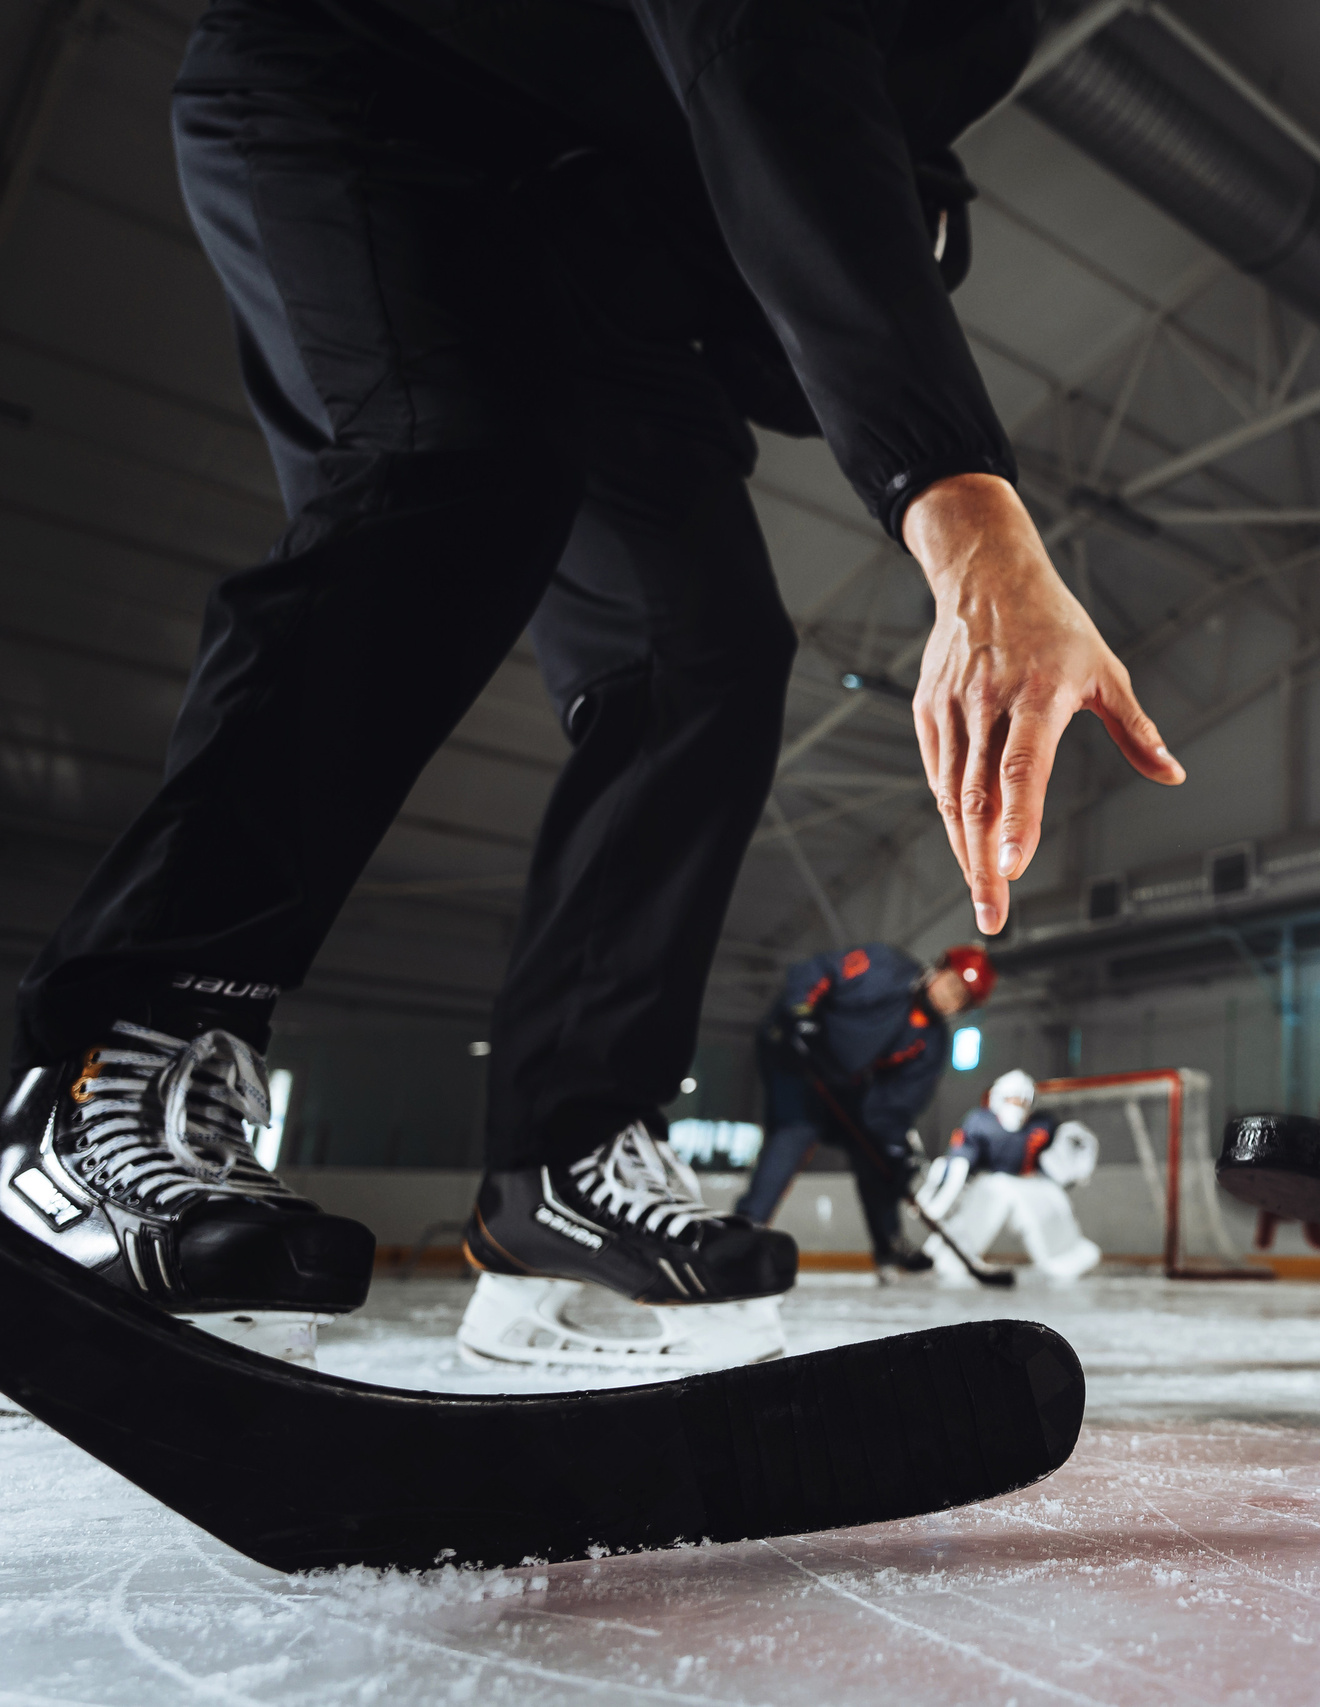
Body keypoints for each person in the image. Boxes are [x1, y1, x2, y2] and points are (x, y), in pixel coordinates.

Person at [2, 0, 1181, 1364]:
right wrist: (965, 520)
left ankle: (563, 1161)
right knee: (445, 472)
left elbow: (798, 178)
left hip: (596, 259)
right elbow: (765, 73)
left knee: (706, 649)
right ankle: (110, 1063)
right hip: (366, 95)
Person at [737, 943, 996, 1278]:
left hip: (839, 1075)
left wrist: (890, 1144)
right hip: (789, 1044)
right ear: (938, 968)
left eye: (962, 998)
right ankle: (746, 1229)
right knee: (799, 1128)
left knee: (873, 1153)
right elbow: (816, 969)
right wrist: (802, 1014)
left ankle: (889, 1244)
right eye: (952, 983)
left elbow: (895, 1102)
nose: (951, 997)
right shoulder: (884, 968)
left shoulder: (931, 1043)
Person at [918, 1069, 1102, 1284]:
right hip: (991, 1183)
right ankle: (950, 1258)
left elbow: (1055, 1164)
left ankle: (1067, 1257)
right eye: (1012, 1099)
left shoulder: (1044, 1125)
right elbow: (960, 1161)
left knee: (1052, 1205)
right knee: (983, 1204)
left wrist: (1071, 1163)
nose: (1017, 1105)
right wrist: (940, 1196)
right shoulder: (979, 1122)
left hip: (1031, 1184)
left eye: (1022, 1100)